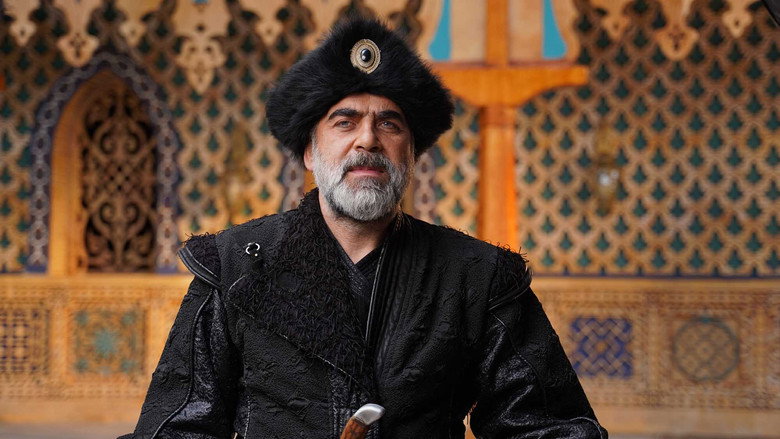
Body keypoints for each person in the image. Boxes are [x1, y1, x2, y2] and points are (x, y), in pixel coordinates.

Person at [121, 17, 607, 439]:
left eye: (389, 124)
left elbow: (550, 427)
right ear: (309, 152)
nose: (368, 139)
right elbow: (177, 427)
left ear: (411, 154)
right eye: (345, 121)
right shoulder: (235, 267)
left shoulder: (477, 276)